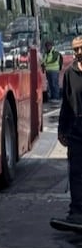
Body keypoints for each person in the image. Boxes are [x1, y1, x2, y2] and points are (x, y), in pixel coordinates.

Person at [52, 35, 82, 231]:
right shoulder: (70, 73)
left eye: (81, 48)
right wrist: (62, 129)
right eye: (75, 49)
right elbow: (66, 103)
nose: (78, 53)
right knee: (76, 173)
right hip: (77, 131)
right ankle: (76, 213)